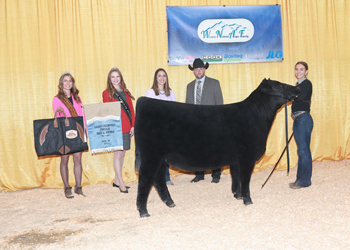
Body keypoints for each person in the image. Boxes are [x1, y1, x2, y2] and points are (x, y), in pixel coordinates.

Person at [185, 58, 224, 183]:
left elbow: (220, 104)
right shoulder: (189, 86)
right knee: (197, 149)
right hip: (195, 123)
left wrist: (218, 122)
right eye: (196, 69)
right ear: (193, 71)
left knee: (214, 148)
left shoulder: (214, 83)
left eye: (201, 68)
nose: (198, 71)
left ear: (204, 69)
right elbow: (187, 106)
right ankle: (199, 173)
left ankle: (216, 174)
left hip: (211, 122)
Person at [52, 72, 86, 198]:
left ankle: (78, 187)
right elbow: (58, 115)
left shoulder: (77, 98)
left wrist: (84, 131)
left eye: (70, 81)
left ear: (72, 83)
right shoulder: (57, 99)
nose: (68, 83)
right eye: (65, 81)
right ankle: (67, 187)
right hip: (64, 132)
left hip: (77, 131)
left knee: (78, 159)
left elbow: (82, 115)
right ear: (61, 83)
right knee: (64, 159)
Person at [102, 67, 135, 193]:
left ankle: (117, 180)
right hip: (115, 127)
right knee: (117, 153)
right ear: (109, 79)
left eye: (117, 76)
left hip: (127, 126)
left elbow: (131, 110)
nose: (115, 79)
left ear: (120, 78)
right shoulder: (107, 93)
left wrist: (133, 125)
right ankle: (121, 183)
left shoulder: (125, 91)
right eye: (113, 77)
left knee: (123, 153)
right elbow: (107, 110)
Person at [145, 68, 176, 185]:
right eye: (159, 76)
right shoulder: (151, 92)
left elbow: (175, 110)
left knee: (166, 155)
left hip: (168, 129)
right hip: (155, 129)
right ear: (155, 78)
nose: (162, 78)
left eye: (164, 76)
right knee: (155, 155)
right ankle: (154, 178)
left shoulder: (170, 93)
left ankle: (166, 178)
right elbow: (148, 111)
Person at [289, 61, 313, 189]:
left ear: (306, 72)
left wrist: (288, 94)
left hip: (303, 119)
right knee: (301, 151)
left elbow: (300, 97)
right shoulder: (299, 84)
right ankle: (300, 179)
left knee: (304, 151)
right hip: (299, 119)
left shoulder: (306, 84)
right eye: (297, 69)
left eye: (301, 69)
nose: (298, 72)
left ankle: (304, 181)